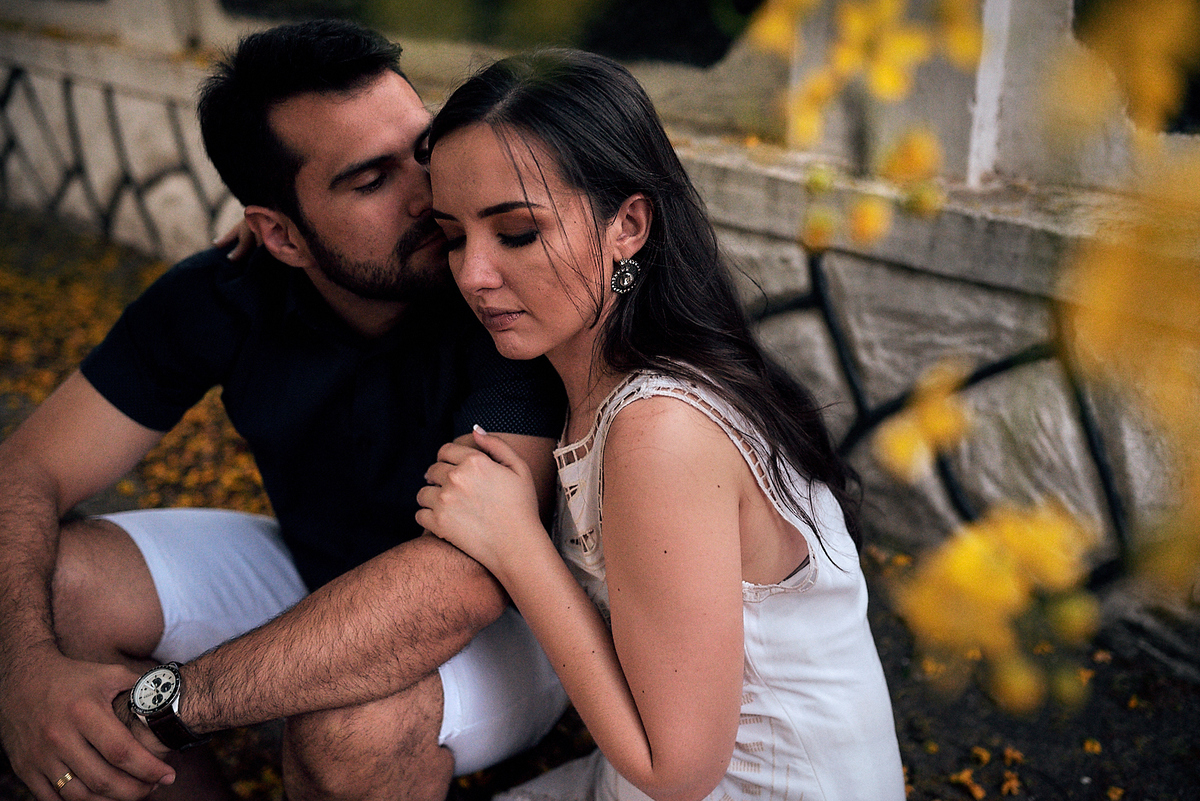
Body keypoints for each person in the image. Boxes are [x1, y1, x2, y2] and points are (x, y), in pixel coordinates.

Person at [0, 20, 570, 801]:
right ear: (279, 234)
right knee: (51, 590)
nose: (427, 194)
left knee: (348, 733)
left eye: (424, 148)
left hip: (525, 620)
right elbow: (25, 467)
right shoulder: (227, 292)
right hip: (319, 576)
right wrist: (23, 674)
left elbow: (463, 582)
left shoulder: (497, 286)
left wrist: (174, 703)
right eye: (370, 181)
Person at [415, 49, 906, 800]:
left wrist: (516, 542)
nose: (474, 274)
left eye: (515, 232)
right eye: (453, 235)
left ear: (629, 225)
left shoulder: (661, 430)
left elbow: (677, 773)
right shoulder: (583, 366)